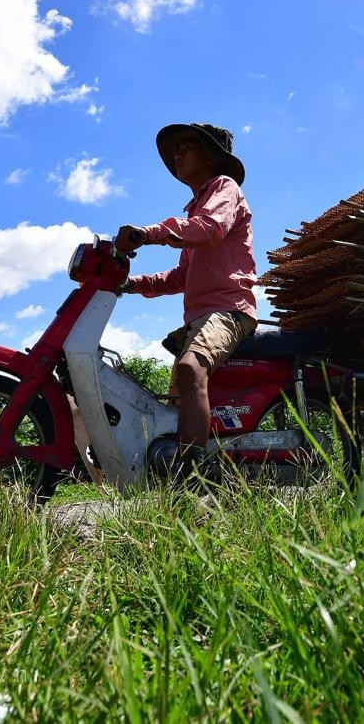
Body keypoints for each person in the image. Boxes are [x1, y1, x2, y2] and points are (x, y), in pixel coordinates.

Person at [114, 123, 258, 467]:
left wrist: (149, 233)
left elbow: (211, 228)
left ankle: (192, 474)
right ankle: (170, 462)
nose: (178, 156)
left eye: (187, 148)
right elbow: (181, 275)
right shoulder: (195, 209)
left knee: (191, 371)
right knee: (177, 395)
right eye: (176, 151)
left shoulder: (225, 187)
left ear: (211, 156)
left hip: (228, 309)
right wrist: (131, 284)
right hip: (201, 316)